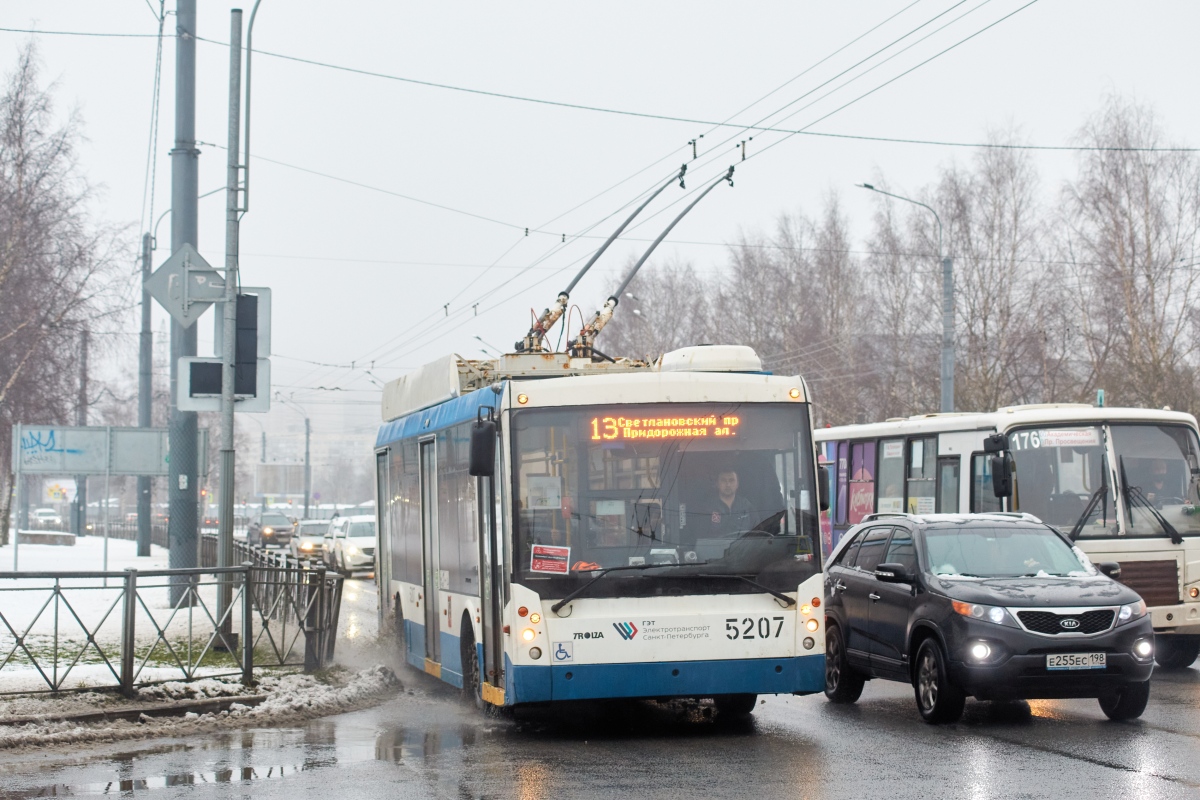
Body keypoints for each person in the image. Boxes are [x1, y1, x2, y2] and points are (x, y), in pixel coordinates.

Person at [707, 469, 755, 535]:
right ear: (717, 484)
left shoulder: (746, 506)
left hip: (744, 545)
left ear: (737, 484)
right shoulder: (708, 508)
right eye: (723, 480)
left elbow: (758, 532)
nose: (728, 484)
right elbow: (701, 537)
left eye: (731, 480)